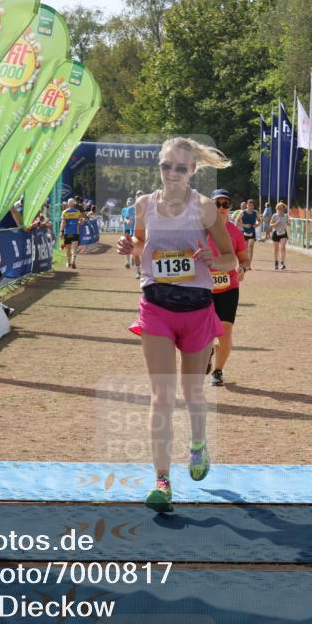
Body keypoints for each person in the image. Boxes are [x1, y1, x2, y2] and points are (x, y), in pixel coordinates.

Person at [115, 137, 236, 513]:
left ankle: (198, 444)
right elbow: (140, 246)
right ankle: (162, 481)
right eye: (166, 166)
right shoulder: (144, 204)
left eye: (180, 168)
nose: (172, 174)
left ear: (193, 171)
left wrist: (212, 261)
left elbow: (231, 260)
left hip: (198, 309)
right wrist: (128, 248)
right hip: (156, 307)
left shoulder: (204, 209)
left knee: (193, 394)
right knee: (162, 396)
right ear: (160, 166)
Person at [207, 189, 250, 387]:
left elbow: (244, 259)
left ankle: (218, 370)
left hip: (228, 288)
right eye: (218, 204)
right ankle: (205, 354)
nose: (222, 208)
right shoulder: (199, 230)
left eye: (226, 204)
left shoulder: (235, 232)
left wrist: (242, 268)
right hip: (202, 288)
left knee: (225, 331)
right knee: (203, 332)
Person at [60, 197, 84, 269]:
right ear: (74, 204)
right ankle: (73, 260)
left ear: (68, 204)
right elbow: (81, 222)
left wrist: (61, 231)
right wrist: (81, 221)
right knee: (74, 248)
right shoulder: (77, 212)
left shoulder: (64, 212)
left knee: (68, 248)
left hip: (67, 232)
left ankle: (68, 262)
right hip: (75, 232)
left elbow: (63, 222)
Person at [238, 200, 259, 268]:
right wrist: (244, 225)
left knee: (250, 247)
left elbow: (259, 220)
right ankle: (244, 262)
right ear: (247, 205)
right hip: (244, 232)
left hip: (252, 232)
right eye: (249, 205)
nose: (250, 207)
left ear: (253, 206)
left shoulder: (255, 213)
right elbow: (237, 221)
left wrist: (257, 225)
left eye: (252, 206)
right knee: (245, 248)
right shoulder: (243, 212)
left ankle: (249, 264)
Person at [270, 201, 289, 270]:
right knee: (276, 249)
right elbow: (271, 225)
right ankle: (276, 262)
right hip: (276, 233)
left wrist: (289, 223)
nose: (280, 210)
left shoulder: (286, 215)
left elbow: (288, 223)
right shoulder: (275, 215)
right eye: (279, 209)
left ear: (284, 209)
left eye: (281, 209)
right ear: (277, 209)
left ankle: (282, 263)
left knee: (283, 247)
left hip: (283, 233)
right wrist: (276, 224)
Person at [121, 197, 136, 270]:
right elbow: (121, 218)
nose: (129, 203)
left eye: (130, 202)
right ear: (126, 203)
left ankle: (133, 257)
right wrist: (125, 220)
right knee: (126, 244)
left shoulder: (135, 209)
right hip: (126, 230)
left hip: (134, 229)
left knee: (133, 244)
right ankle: (127, 261)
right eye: (128, 202)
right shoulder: (123, 210)